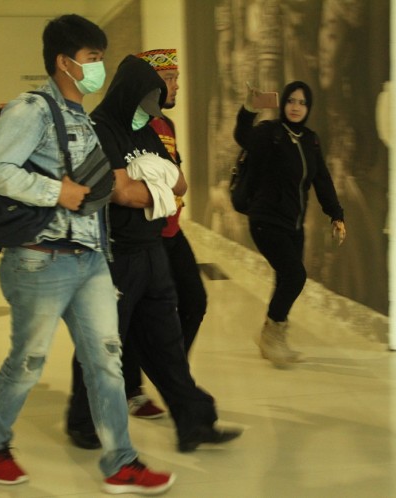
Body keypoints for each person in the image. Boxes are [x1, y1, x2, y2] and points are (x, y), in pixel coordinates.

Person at [0, 15, 174, 495]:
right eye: (92, 58)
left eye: (101, 58)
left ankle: (121, 461)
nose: (98, 68)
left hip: (88, 261)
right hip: (40, 259)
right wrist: (52, 191)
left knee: (106, 359)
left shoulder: (82, 115)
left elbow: (94, 194)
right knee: (28, 361)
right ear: (64, 62)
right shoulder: (32, 110)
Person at [66, 54, 241, 453]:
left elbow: (178, 184)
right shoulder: (101, 128)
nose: (157, 104)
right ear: (132, 92)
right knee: (103, 343)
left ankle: (194, 422)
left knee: (167, 343)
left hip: (152, 249)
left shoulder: (146, 130)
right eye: (152, 94)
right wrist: (153, 185)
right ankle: (82, 419)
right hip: (114, 256)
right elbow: (121, 192)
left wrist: (151, 185)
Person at [110, 48, 208, 420]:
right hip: (141, 233)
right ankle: (132, 387)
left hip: (171, 229)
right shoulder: (129, 124)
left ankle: (169, 374)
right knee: (133, 313)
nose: (175, 86)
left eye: (175, 78)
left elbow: (176, 175)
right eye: (168, 79)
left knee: (194, 301)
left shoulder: (166, 126)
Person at [234, 81, 346, 368]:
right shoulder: (269, 132)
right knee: (295, 276)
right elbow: (243, 135)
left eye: (302, 102)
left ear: (308, 108)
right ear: (283, 103)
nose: (296, 107)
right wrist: (249, 107)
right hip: (265, 220)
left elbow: (321, 180)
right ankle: (272, 334)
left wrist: (336, 214)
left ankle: (274, 337)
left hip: (294, 225)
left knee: (285, 278)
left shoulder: (311, 139)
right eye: (291, 101)